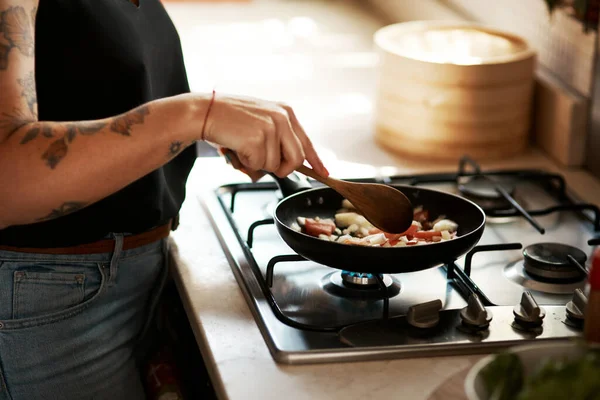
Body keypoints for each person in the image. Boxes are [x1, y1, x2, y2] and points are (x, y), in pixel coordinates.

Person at [0, 0, 329, 398]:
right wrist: (196, 115)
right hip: (49, 304)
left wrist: (214, 128)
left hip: (132, 280)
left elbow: (90, 82)